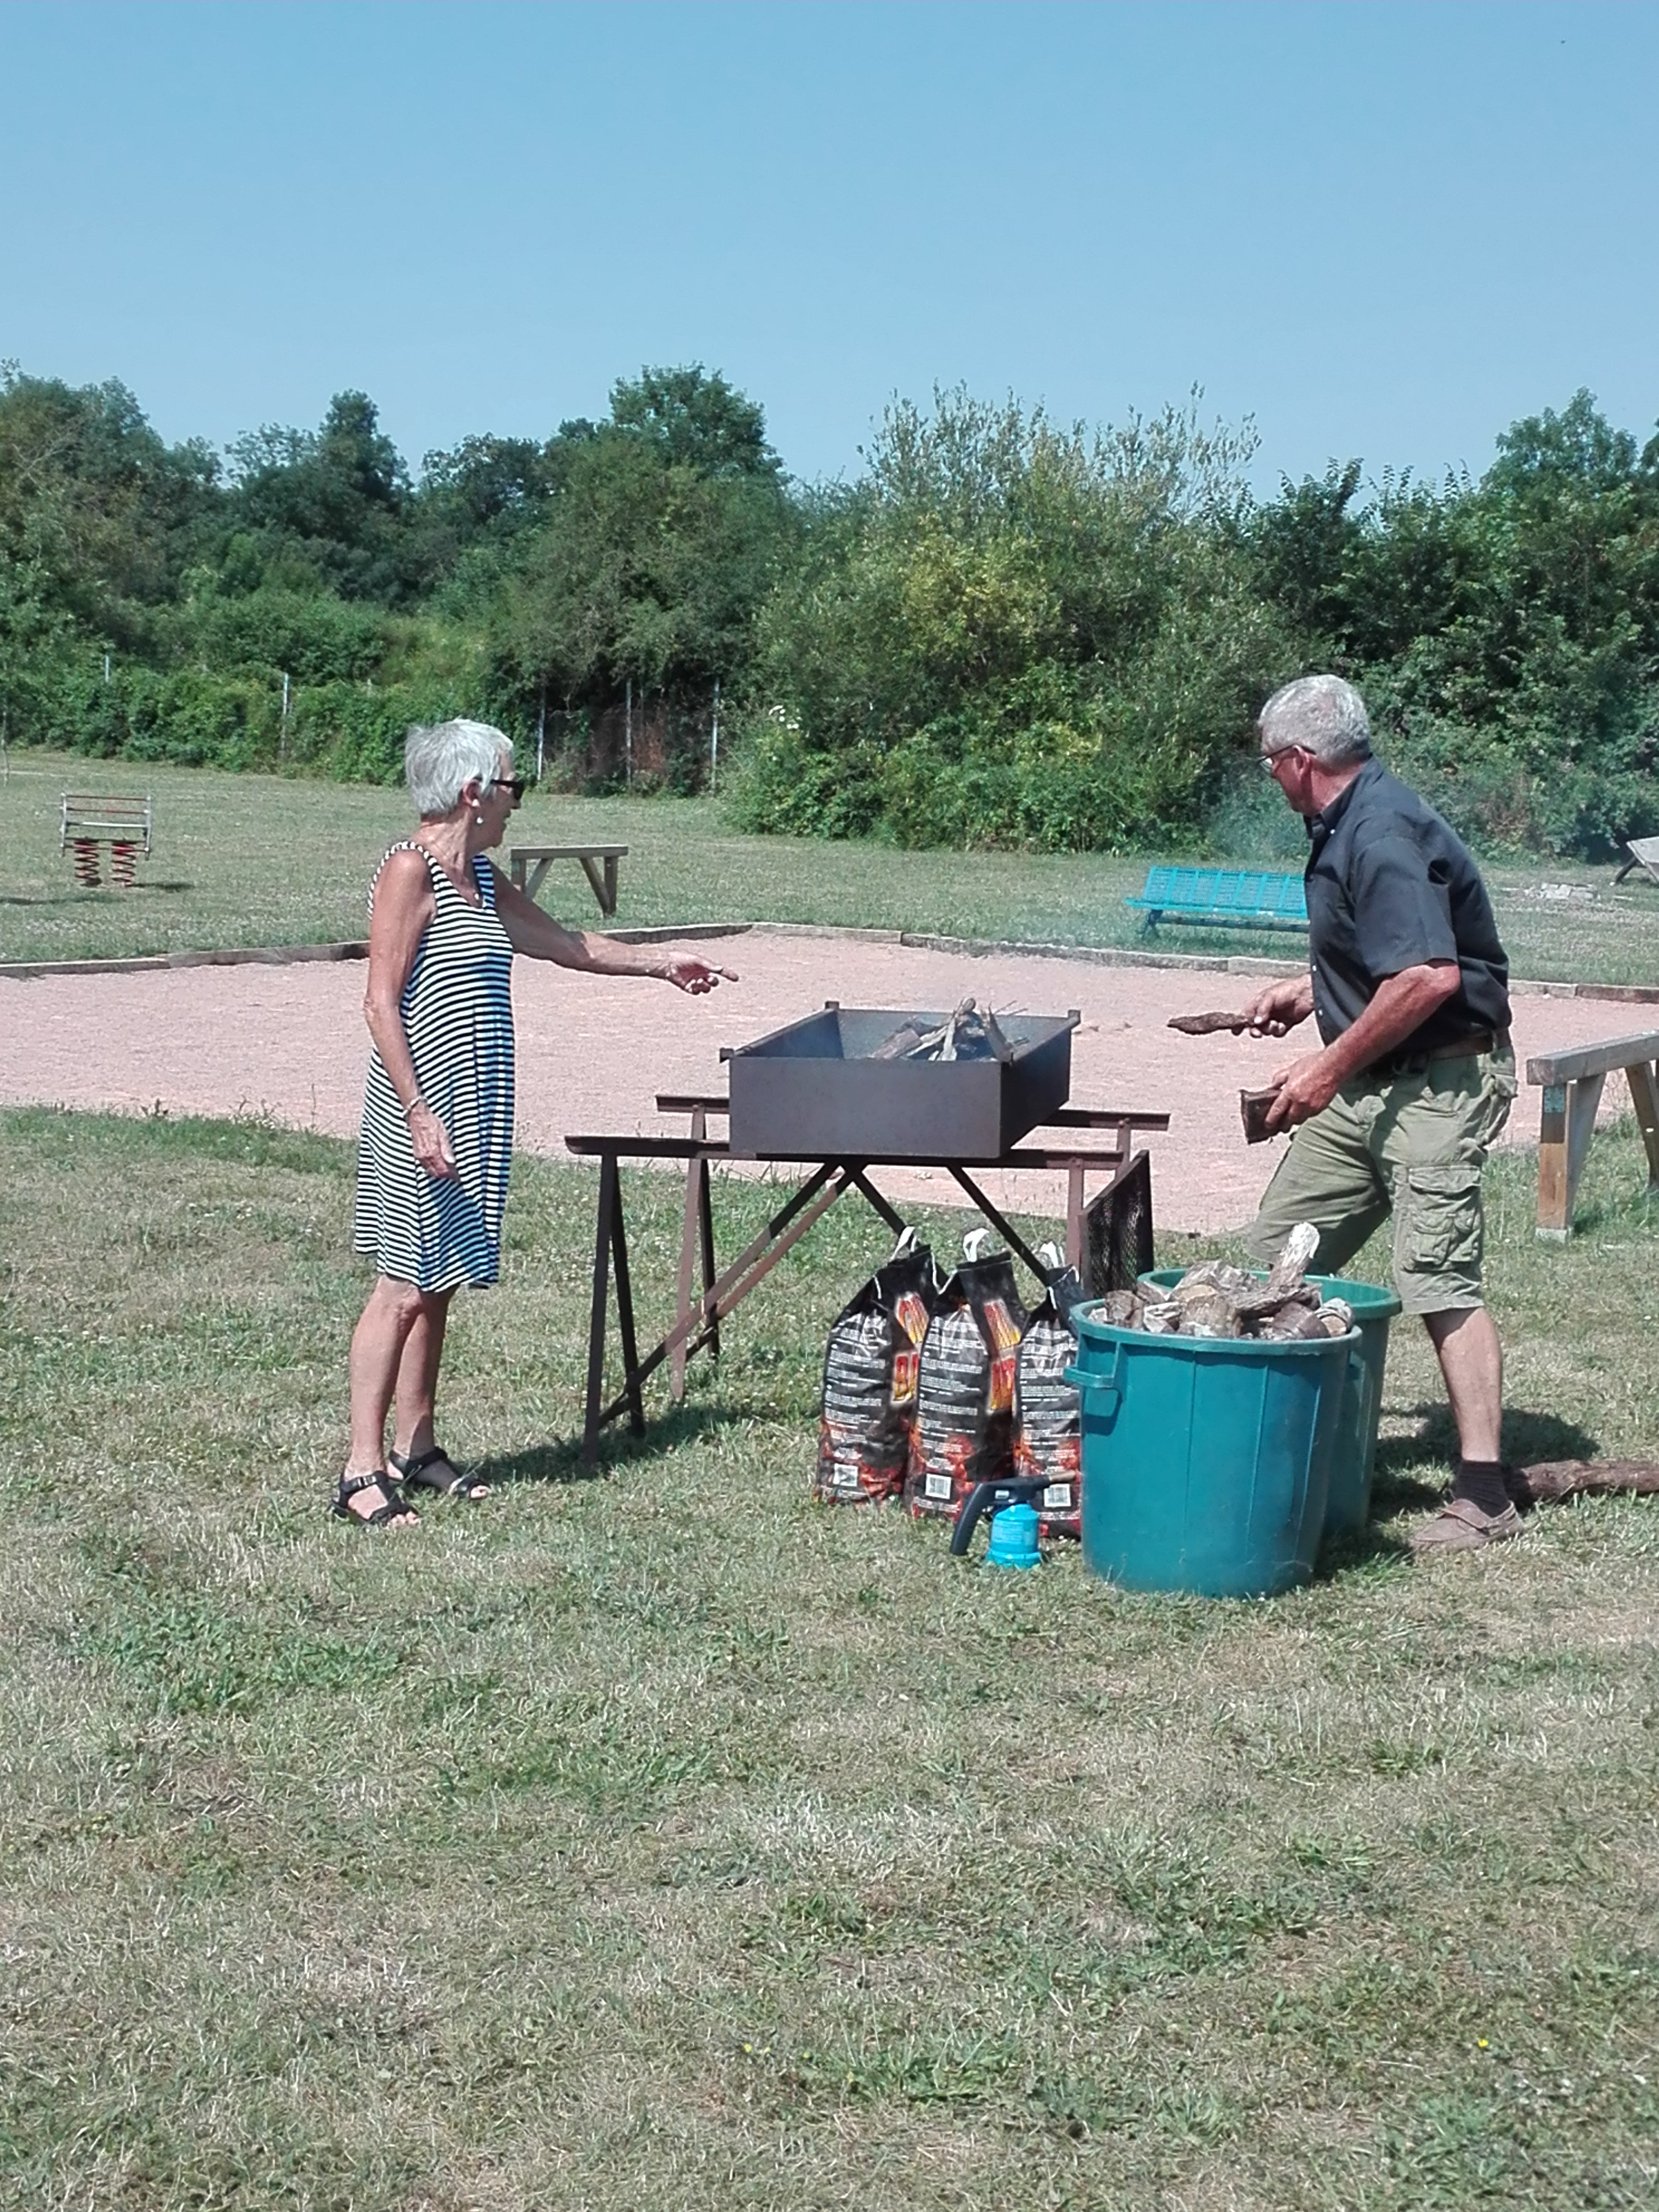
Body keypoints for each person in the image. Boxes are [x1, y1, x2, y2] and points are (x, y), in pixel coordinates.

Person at [336, 717, 735, 1530]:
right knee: (402, 1288)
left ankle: (419, 1446)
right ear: (474, 791)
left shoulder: (481, 878)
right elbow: (379, 1003)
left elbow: (569, 944)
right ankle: (360, 1468)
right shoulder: (410, 871)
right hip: (423, 1108)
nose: (521, 802)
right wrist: (418, 1112)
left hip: (475, 1101)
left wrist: (665, 963)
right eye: (517, 785)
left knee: (439, 1280)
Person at [1237, 674, 1520, 1554]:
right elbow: (1384, 953)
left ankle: (1484, 1493)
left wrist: (1326, 1065)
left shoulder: (1384, 830)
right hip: (1370, 1086)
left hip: (1437, 1085)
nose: (1271, 780)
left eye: (1270, 766)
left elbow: (1429, 977)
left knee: (1435, 1279)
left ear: (1298, 761)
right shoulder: (1346, 822)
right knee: (1267, 1262)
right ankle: (1271, 1443)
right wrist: (1311, 992)